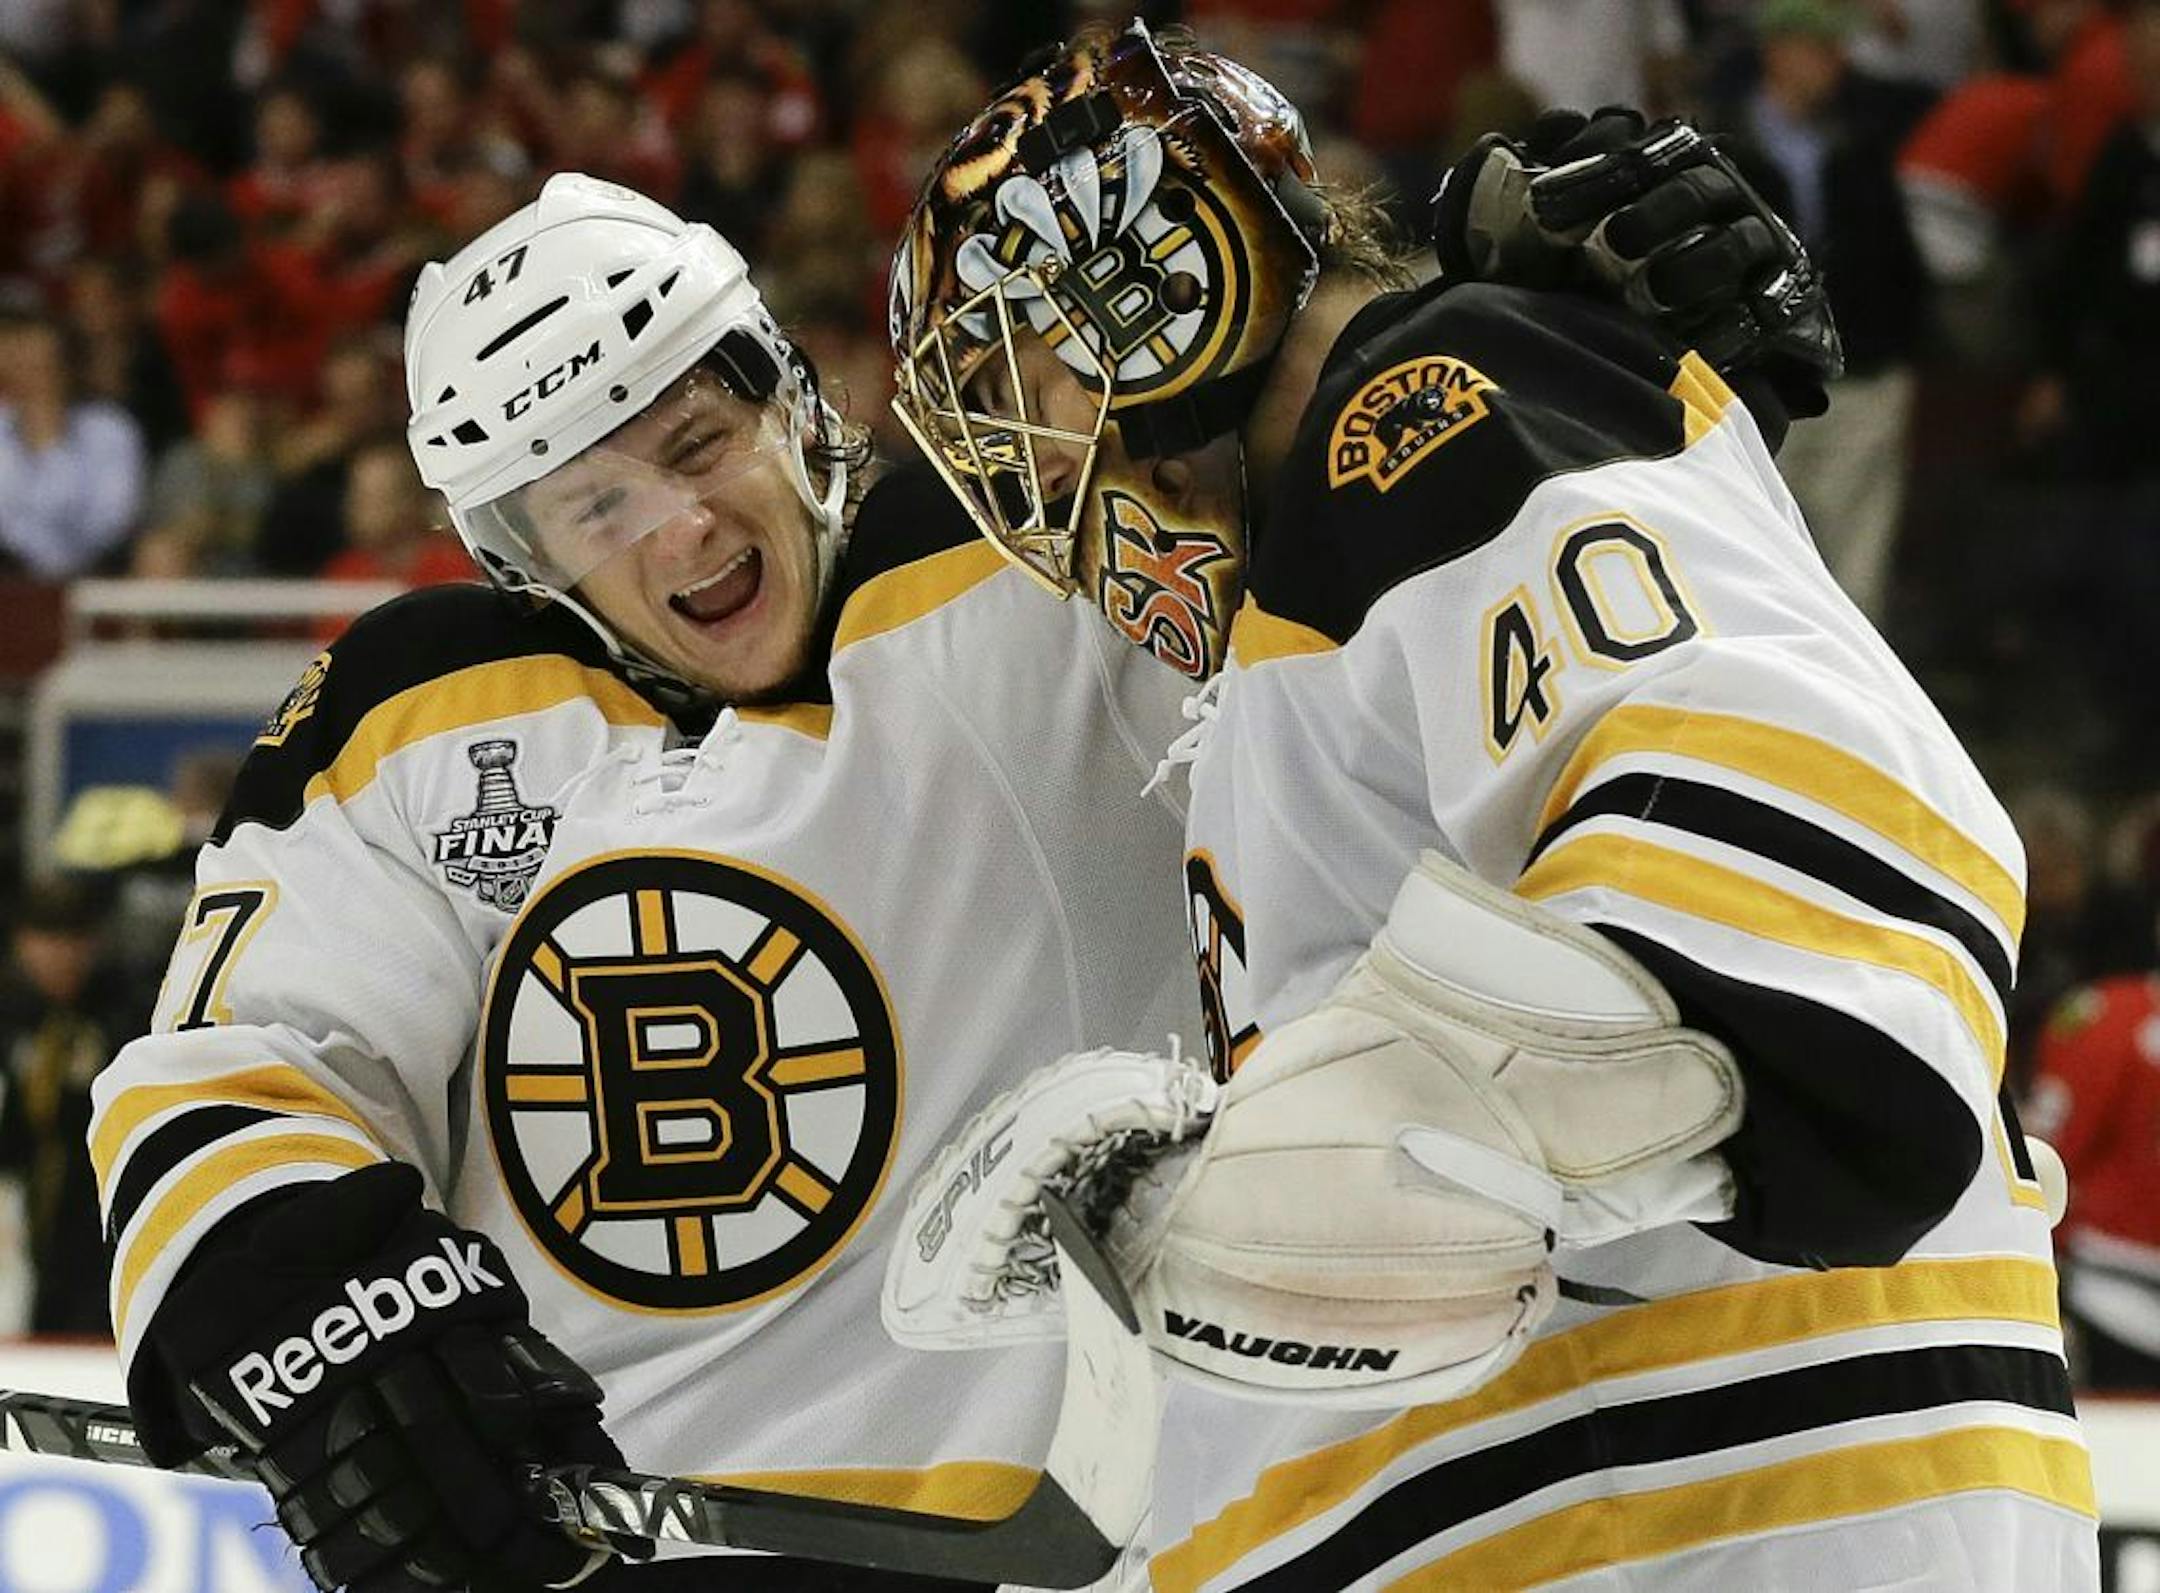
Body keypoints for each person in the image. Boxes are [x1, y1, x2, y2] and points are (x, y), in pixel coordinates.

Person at [87, 150, 1828, 1593]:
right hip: (627, 1548)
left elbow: (1377, 498)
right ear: (516, 555)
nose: (681, 526)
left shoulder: (1039, 541)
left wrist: (1558, 334)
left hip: (1112, 1537)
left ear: (788, 389)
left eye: (695, 442)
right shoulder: (414, 712)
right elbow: (234, 1067)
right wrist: (329, 1323)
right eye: (593, 506)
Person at [886, 21, 2096, 1590]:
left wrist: (1301, 1187)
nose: (1034, 469)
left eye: (1023, 382)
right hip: (1635, 1510)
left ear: (1155, 297)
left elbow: (1814, 908)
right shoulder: (1312, 586)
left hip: (1715, 1503)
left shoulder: (1420, 413)